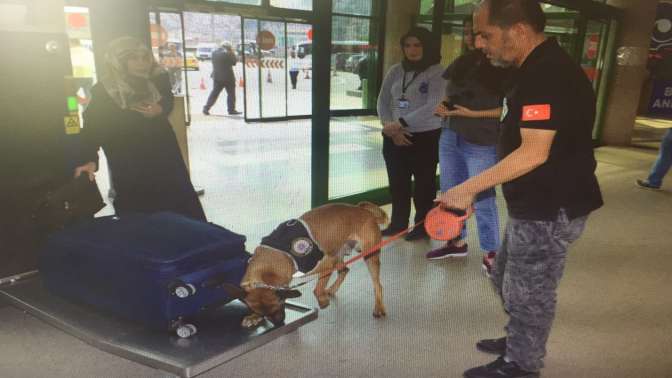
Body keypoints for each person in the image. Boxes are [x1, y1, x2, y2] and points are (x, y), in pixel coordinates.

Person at [436, 1, 603, 377]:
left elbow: (534, 152)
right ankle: (519, 338)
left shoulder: (546, 74)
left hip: (551, 205)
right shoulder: (532, 68)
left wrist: (467, 188)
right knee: (505, 277)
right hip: (534, 202)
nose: (479, 43)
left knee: (529, 293)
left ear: (520, 31)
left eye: (486, 34)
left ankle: (522, 365)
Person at [74, 37, 206, 221]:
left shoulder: (158, 78)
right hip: (128, 158)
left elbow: (167, 101)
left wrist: (159, 109)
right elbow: (93, 125)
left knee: (178, 202)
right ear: (119, 61)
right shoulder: (105, 90)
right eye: (134, 58)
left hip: (163, 152)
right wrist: (89, 159)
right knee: (140, 213)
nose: (142, 64)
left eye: (145, 58)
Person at [427, 16, 509, 278]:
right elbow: (450, 93)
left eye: (480, 34)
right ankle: (456, 241)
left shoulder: (504, 65)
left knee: (483, 197)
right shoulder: (463, 60)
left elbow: (507, 110)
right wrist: (445, 106)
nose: (473, 39)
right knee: (451, 192)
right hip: (451, 135)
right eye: (469, 33)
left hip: (482, 140)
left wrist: (472, 114)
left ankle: (492, 252)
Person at [377, 27, 446, 241]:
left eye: (417, 45)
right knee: (398, 184)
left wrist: (400, 123)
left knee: (424, 186)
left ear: (427, 46)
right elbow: (382, 100)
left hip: (424, 137)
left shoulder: (438, 71)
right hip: (394, 136)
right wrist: (390, 126)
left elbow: (434, 105)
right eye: (407, 45)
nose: (412, 50)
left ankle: (422, 226)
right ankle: (398, 224)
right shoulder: (396, 70)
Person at [203, 41, 240, 116]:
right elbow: (234, 62)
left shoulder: (214, 52)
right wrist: (232, 53)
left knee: (214, 94)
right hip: (228, 77)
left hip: (217, 77)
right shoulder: (229, 53)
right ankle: (231, 110)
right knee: (231, 94)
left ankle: (206, 108)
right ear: (229, 47)